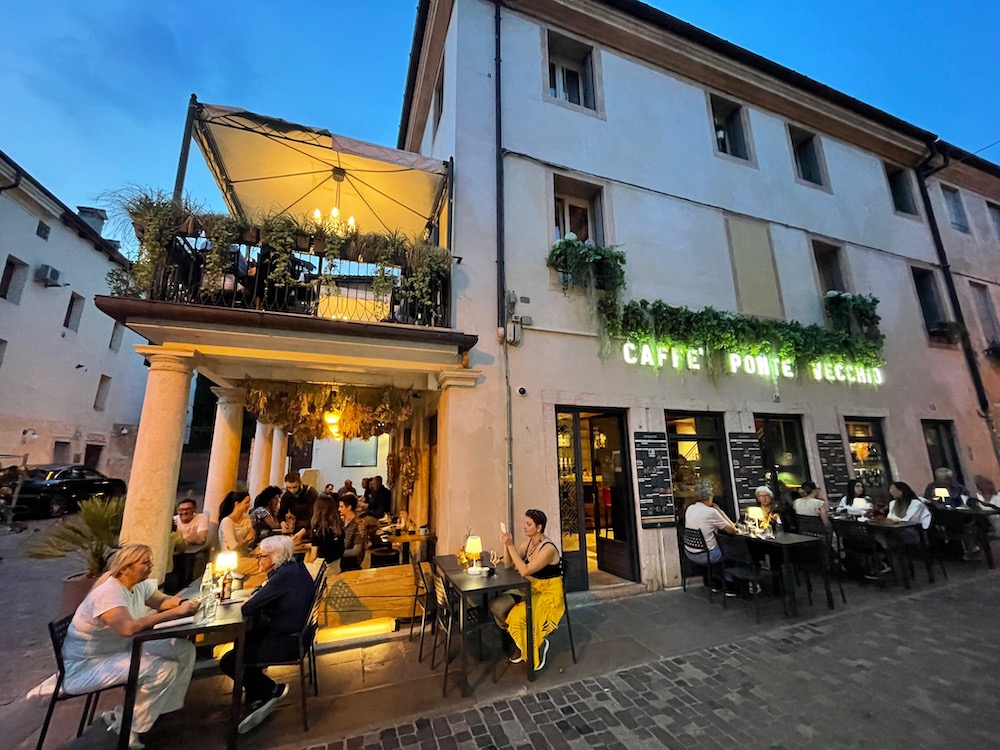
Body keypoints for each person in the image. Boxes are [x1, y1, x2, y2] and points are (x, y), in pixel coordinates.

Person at [61, 545, 201, 749]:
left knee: (183, 650)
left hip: (121, 650)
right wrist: (176, 613)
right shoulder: (109, 592)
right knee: (163, 669)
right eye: (145, 562)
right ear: (125, 567)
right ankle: (128, 728)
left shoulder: (136, 585)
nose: (151, 565)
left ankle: (149, 713)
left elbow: (162, 602)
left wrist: (191, 602)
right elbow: (128, 628)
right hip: (88, 665)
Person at [219, 536, 314, 735]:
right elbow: (264, 593)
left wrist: (255, 597)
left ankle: (269, 689)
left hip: (289, 641)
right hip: (298, 634)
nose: (258, 560)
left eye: (261, 556)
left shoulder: (283, 577)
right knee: (244, 639)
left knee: (230, 660)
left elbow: (249, 608)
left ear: (274, 557)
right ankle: (257, 694)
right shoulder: (293, 568)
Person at [494, 509, 565, 672]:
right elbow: (508, 564)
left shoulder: (548, 549)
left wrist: (510, 545)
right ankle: (521, 641)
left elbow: (525, 570)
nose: (524, 527)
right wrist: (507, 545)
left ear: (539, 527)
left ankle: (536, 646)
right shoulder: (528, 544)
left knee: (516, 617)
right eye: (524, 523)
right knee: (497, 606)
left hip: (548, 594)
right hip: (530, 588)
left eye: (528, 524)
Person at [682, 484, 737, 594]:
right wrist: (720, 512)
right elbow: (732, 530)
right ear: (709, 498)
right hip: (706, 555)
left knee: (717, 548)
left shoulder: (690, 509)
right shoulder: (711, 512)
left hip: (689, 552)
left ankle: (715, 583)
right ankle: (730, 585)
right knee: (734, 553)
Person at [310, 492, 344, 562]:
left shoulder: (318, 530)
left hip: (323, 567)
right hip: (337, 565)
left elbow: (313, 556)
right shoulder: (339, 526)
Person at [218, 491, 254, 555]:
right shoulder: (227, 521)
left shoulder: (246, 517)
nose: (249, 505)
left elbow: (252, 536)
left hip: (244, 552)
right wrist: (246, 539)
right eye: (246, 503)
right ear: (237, 504)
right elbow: (233, 547)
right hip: (229, 556)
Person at [338, 494, 366, 571]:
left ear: (349, 507)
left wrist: (336, 554)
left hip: (351, 563)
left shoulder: (359, 524)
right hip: (340, 560)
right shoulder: (341, 522)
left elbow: (356, 551)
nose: (338, 509)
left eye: (341, 507)